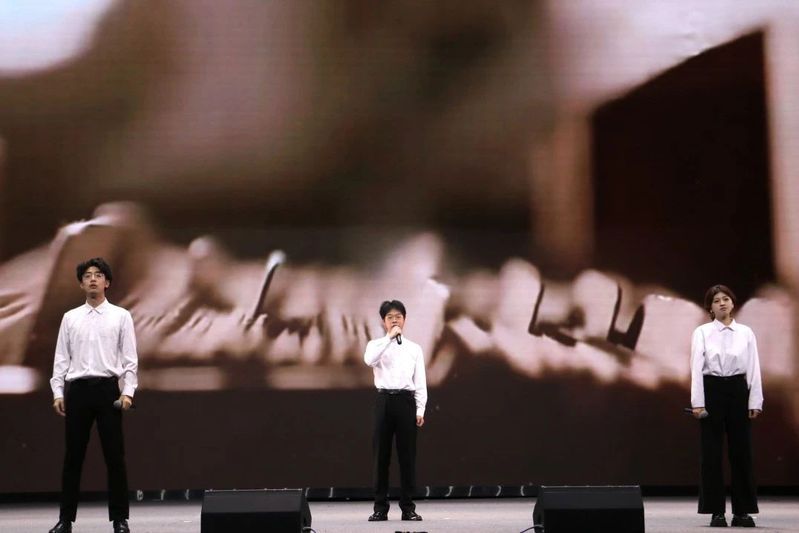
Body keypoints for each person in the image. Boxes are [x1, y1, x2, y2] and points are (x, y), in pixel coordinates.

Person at [48, 258, 138, 533]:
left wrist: (128, 392)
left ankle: (120, 519)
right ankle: (65, 520)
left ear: (107, 282)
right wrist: (57, 391)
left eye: (98, 275)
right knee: (73, 458)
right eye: (87, 275)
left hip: (107, 390)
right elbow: (61, 358)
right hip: (77, 391)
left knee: (114, 456)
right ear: (81, 284)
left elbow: (130, 359)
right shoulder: (70, 317)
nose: (93, 279)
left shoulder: (121, 316)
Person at [690, 284, 763, 528]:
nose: (722, 303)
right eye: (716, 300)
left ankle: (742, 511)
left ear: (733, 303)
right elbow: (696, 369)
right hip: (712, 388)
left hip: (738, 390)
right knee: (711, 453)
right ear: (710, 307)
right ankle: (716, 511)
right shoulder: (702, 332)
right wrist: (698, 403)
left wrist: (755, 400)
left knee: (741, 452)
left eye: (726, 299)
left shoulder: (745, 332)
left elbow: (753, 367)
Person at [363, 300, 427, 522]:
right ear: (383, 321)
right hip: (384, 400)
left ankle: (408, 508)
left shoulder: (414, 348)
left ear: (405, 320)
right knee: (381, 457)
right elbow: (369, 360)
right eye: (390, 317)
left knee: (407, 457)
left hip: (406, 401)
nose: (394, 320)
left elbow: (420, 381)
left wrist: (420, 408)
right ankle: (380, 508)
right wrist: (389, 339)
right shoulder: (376, 345)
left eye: (398, 316)